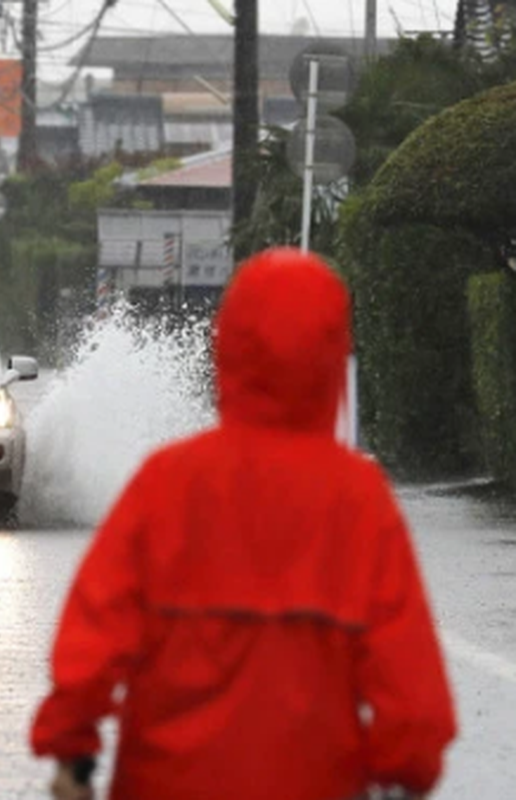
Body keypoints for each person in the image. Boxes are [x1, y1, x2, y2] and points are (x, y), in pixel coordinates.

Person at [30, 248, 457, 800]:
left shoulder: (168, 483)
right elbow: (411, 688)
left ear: (225, 344)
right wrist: (406, 770)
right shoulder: (357, 499)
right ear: (333, 355)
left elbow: (94, 634)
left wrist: (73, 750)